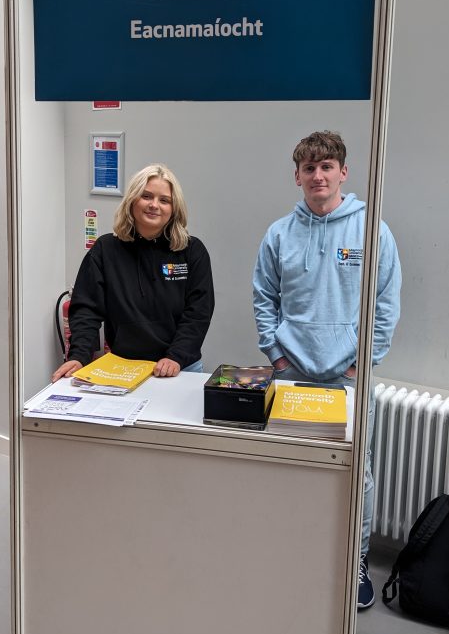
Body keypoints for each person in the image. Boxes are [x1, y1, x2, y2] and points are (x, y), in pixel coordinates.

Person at [253, 131, 401, 609]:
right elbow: (263, 299)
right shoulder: (279, 234)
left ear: (344, 172)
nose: (318, 176)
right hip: (292, 374)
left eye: (327, 166)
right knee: (292, 471)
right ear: (297, 176)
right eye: (309, 168)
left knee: (356, 475)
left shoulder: (372, 230)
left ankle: (353, 561)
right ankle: (295, 555)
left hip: (347, 380)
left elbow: (385, 305)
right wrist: (277, 358)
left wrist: (362, 364)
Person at [53, 163, 214, 383]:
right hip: (122, 368)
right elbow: (86, 311)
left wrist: (175, 356)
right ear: (132, 200)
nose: (154, 205)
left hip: (179, 368)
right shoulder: (105, 250)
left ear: (174, 208)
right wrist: (80, 356)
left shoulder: (191, 251)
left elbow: (198, 313)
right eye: (146, 196)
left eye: (164, 200)